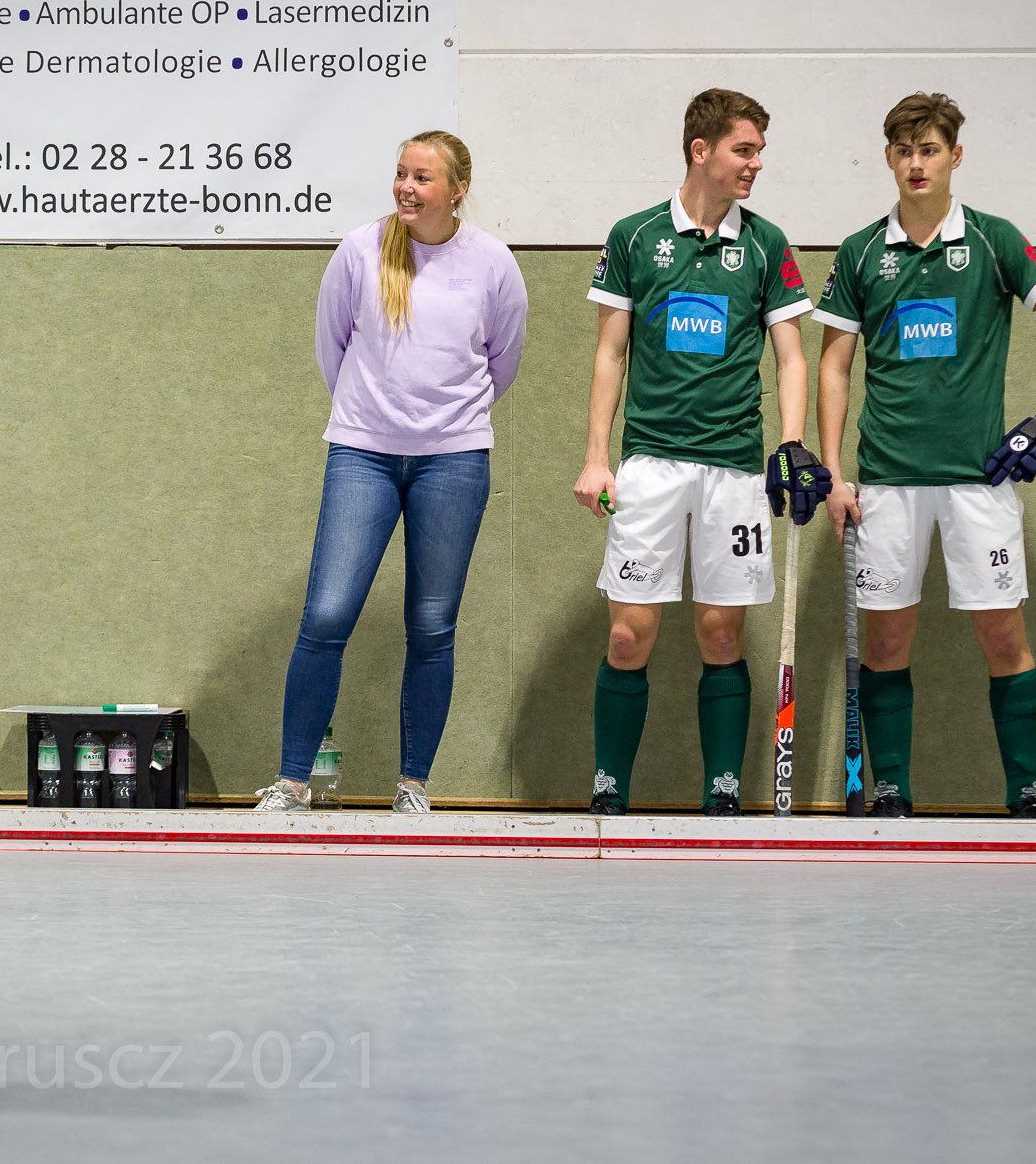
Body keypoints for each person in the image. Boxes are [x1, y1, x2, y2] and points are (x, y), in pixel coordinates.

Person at [814, 92, 1036, 817]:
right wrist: (835, 472)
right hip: (887, 482)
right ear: (888, 158)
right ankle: (891, 789)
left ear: (955, 156)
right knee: (887, 641)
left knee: (1003, 634)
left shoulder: (995, 239)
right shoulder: (860, 251)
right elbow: (834, 364)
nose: (917, 163)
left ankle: (1026, 788)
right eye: (905, 151)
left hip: (979, 480)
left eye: (930, 149)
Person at [254, 131, 528, 814]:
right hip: (362, 453)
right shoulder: (360, 250)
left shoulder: (492, 262)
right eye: (402, 173)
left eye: (423, 177)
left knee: (432, 625)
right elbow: (333, 346)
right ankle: (291, 782)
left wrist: (446, 424)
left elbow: (502, 359)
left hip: (455, 460)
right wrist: (373, 418)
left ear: (457, 189)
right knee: (326, 613)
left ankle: (413, 785)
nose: (407, 186)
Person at [572, 89, 824, 817]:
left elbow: (792, 357)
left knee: (721, 632)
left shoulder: (767, 244)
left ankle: (723, 788)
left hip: (734, 466)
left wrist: (791, 444)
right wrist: (596, 457)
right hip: (650, 463)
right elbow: (610, 353)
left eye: (759, 151)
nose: (756, 164)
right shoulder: (634, 235)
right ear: (700, 150)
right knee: (628, 635)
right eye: (744, 150)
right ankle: (609, 786)